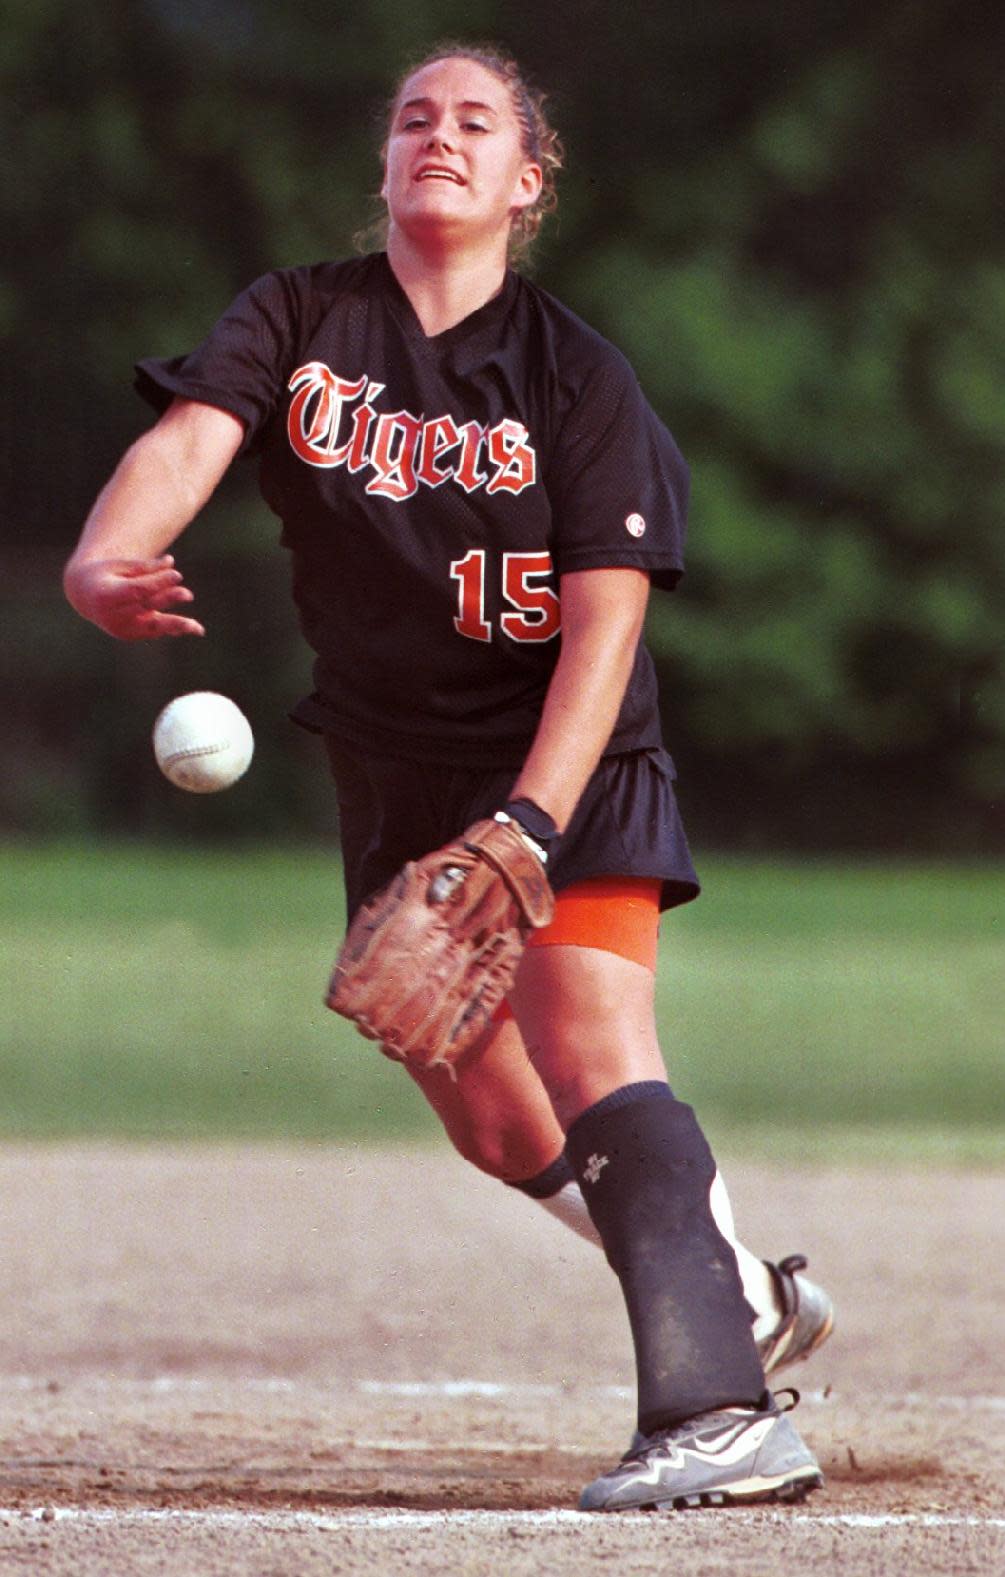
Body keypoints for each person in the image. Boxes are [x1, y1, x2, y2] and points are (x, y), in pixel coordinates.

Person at [64, 42, 830, 1511]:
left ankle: (722, 1411)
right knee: (484, 1112)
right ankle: (728, 1277)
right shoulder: (300, 317)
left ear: (525, 182)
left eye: (477, 121)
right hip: (392, 763)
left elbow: (607, 627)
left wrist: (532, 822)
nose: (440, 135)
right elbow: (187, 440)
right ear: (384, 166)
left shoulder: (574, 374)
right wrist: (105, 552)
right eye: (416, 116)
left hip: (564, 747)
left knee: (592, 1034)